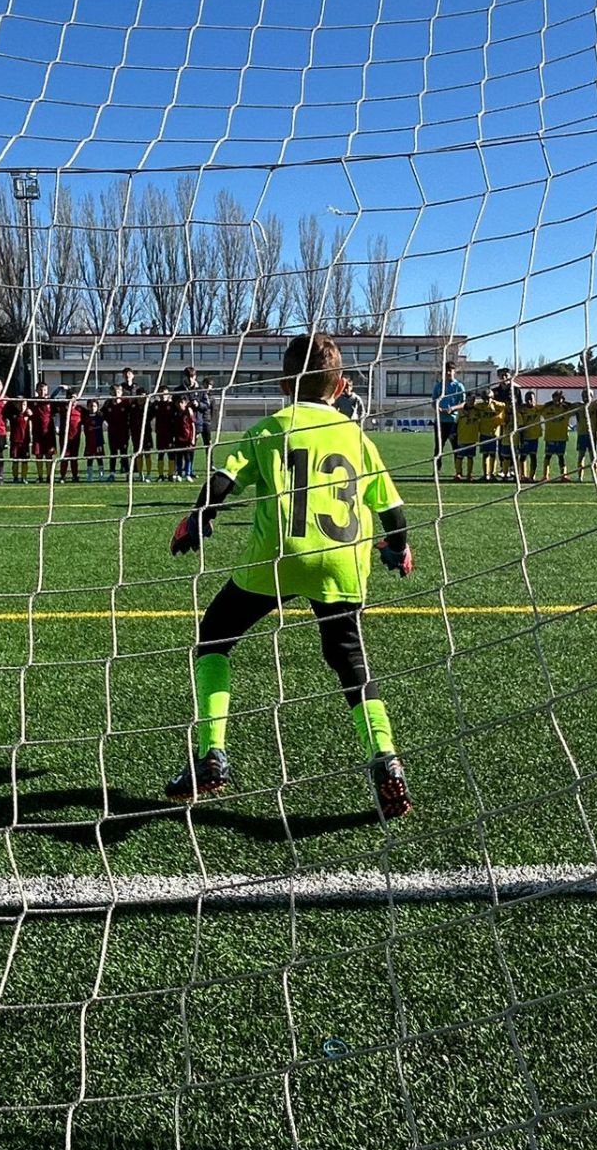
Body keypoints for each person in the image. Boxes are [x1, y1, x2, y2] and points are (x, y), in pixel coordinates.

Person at [167, 332, 413, 819]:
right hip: (342, 559)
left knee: (215, 638)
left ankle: (211, 754)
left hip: (277, 557)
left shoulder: (270, 428)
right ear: (341, 386)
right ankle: (385, 758)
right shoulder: (355, 436)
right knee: (349, 662)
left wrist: (200, 517)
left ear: (283, 383)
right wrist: (398, 549)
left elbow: (222, 481)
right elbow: (395, 514)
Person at [179, 367, 213, 478]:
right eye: (188, 377)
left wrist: (198, 405)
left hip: (196, 423)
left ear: (195, 377)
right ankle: (179, 470)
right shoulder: (179, 389)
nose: (190, 379)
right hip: (181, 424)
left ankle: (190, 470)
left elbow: (206, 405)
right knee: (180, 448)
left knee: (192, 446)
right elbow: (175, 403)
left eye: (192, 377)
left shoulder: (201, 390)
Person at [434, 362, 465, 472]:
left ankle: (458, 471)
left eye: (450, 370)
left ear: (454, 371)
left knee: (456, 447)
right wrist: (439, 409)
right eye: (446, 370)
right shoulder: (439, 386)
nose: (448, 373)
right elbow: (434, 402)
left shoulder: (459, 386)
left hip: (454, 421)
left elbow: (463, 403)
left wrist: (453, 408)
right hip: (440, 421)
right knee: (438, 447)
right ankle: (437, 470)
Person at [541, 392, 575, 482]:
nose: (558, 401)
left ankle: (563, 475)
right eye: (556, 399)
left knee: (561, 457)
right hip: (550, 437)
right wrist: (547, 404)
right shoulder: (547, 409)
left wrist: (567, 403)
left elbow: (576, 408)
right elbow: (539, 409)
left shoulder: (566, 409)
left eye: (560, 399)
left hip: (561, 437)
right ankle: (545, 476)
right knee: (548, 456)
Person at [29, 381, 58, 482]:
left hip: (49, 432)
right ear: (36, 390)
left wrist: (60, 388)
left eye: (44, 389)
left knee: (49, 455)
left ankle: (49, 476)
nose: (42, 391)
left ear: (47, 390)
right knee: (38, 455)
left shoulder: (50, 401)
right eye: (40, 389)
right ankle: (40, 476)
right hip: (37, 432)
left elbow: (59, 407)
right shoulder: (31, 401)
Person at [514, 391, 540, 483]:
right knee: (523, 457)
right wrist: (521, 439)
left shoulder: (538, 408)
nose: (529, 401)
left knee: (533, 457)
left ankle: (531, 476)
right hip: (525, 437)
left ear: (534, 400)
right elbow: (520, 426)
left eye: (531, 399)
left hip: (535, 437)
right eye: (527, 399)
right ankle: (523, 475)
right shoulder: (522, 410)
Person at [453, 395, 481, 481]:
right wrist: (452, 432)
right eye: (468, 400)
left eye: (472, 400)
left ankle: (469, 474)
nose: (470, 402)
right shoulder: (461, 411)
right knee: (459, 456)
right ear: (466, 400)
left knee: (470, 457)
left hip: (472, 437)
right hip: (462, 437)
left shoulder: (477, 411)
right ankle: (458, 473)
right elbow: (455, 423)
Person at [60, 393, 85, 484]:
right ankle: (63, 476)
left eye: (75, 399)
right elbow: (52, 399)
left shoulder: (80, 409)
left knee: (74, 457)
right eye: (71, 398)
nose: (73, 401)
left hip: (75, 437)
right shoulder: (63, 408)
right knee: (64, 457)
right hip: (64, 437)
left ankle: (75, 475)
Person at [9, 397, 33, 482]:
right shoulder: (13, 414)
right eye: (20, 404)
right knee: (15, 460)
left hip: (25, 441)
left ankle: (24, 477)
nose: (22, 406)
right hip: (15, 441)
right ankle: (15, 477)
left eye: (24, 404)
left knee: (25, 460)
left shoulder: (28, 415)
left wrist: (31, 414)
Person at [82, 397, 106, 481]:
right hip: (89, 442)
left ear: (98, 407)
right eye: (91, 406)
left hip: (99, 441)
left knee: (100, 459)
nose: (93, 408)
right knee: (90, 459)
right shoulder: (85, 417)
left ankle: (101, 475)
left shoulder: (100, 416)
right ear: (87, 407)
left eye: (95, 406)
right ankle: (89, 476)